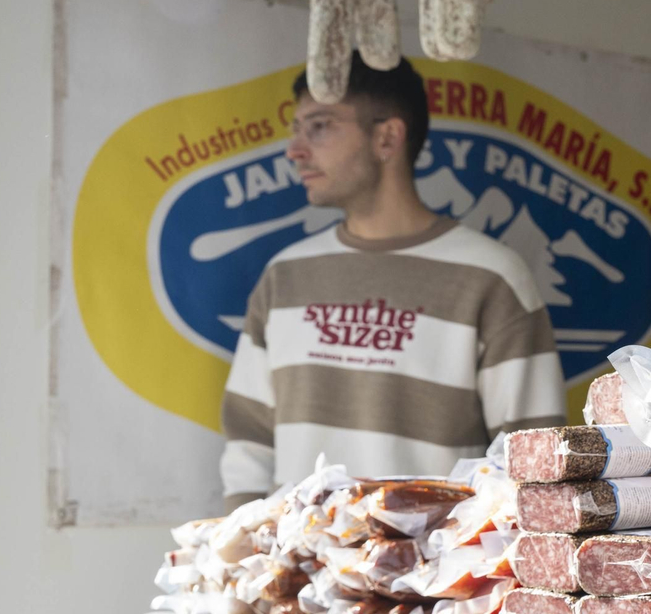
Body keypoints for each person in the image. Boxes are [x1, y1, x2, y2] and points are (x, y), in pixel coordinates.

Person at [220, 53, 566, 509]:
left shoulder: (492, 277)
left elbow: (532, 459)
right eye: (296, 128)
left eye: (319, 127)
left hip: (439, 556)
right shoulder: (284, 276)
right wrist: (248, 543)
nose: (295, 150)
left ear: (387, 137)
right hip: (295, 554)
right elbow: (249, 444)